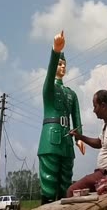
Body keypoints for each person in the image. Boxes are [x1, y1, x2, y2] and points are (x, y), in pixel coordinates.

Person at [37, 31, 85, 204]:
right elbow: (49, 75)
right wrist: (55, 51)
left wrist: (79, 138)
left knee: (65, 184)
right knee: (49, 183)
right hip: (50, 140)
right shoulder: (49, 89)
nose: (63, 67)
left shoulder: (71, 93)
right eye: (59, 64)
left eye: (64, 64)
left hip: (67, 143)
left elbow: (76, 117)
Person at [66, 89, 107, 197]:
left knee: (71, 191)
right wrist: (79, 136)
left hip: (106, 173)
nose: (94, 110)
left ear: (103, 106)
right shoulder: (106, 124)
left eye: (95, 106)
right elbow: (99, 143)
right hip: (102, 172)